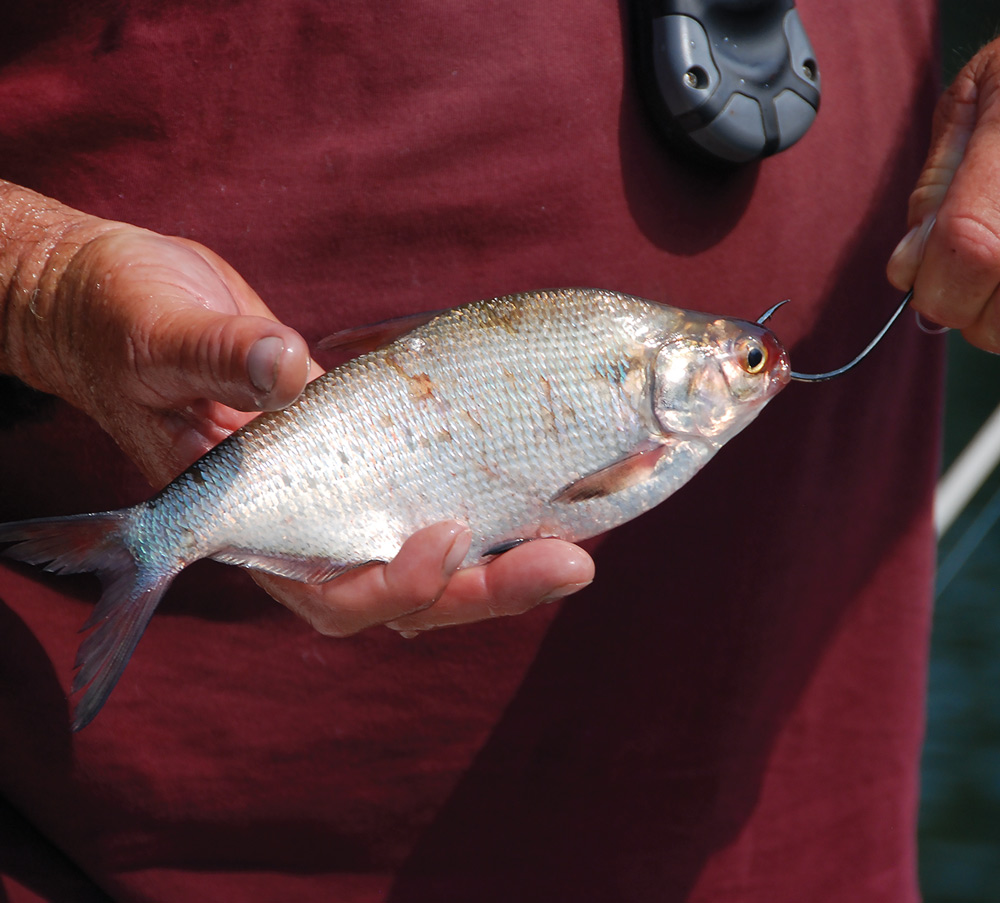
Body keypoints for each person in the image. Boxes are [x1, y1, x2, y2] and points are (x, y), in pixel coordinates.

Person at [0, 1, 991, 899]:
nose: (757, 363)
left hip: (809, 803)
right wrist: (37, 281)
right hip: (159, 839)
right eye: (737, 358)